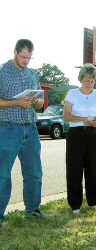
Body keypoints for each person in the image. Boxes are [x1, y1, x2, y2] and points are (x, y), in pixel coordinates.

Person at [0, 39, 45, 227]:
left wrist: (36, 102)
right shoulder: (2, 72)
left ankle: (33, 210)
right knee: (2, 174)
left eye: (29, 58)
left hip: (30, 128)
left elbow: (41, 103)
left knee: (34, 172)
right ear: (15, 52)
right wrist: (16, 103)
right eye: (23, 57)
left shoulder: (32, 74)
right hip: (8, 127)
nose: (26, 61)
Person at [64, 63, 96, 215]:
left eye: (92, 81)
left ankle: (93, 201)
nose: (89, 83)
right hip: (76, 134)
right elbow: (66, 115)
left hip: (95, 133)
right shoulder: (72, 93)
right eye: (87, 80)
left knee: (93, 168)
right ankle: (75, 204)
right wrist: (84, 120)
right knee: (74, 169)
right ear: (81, 79)